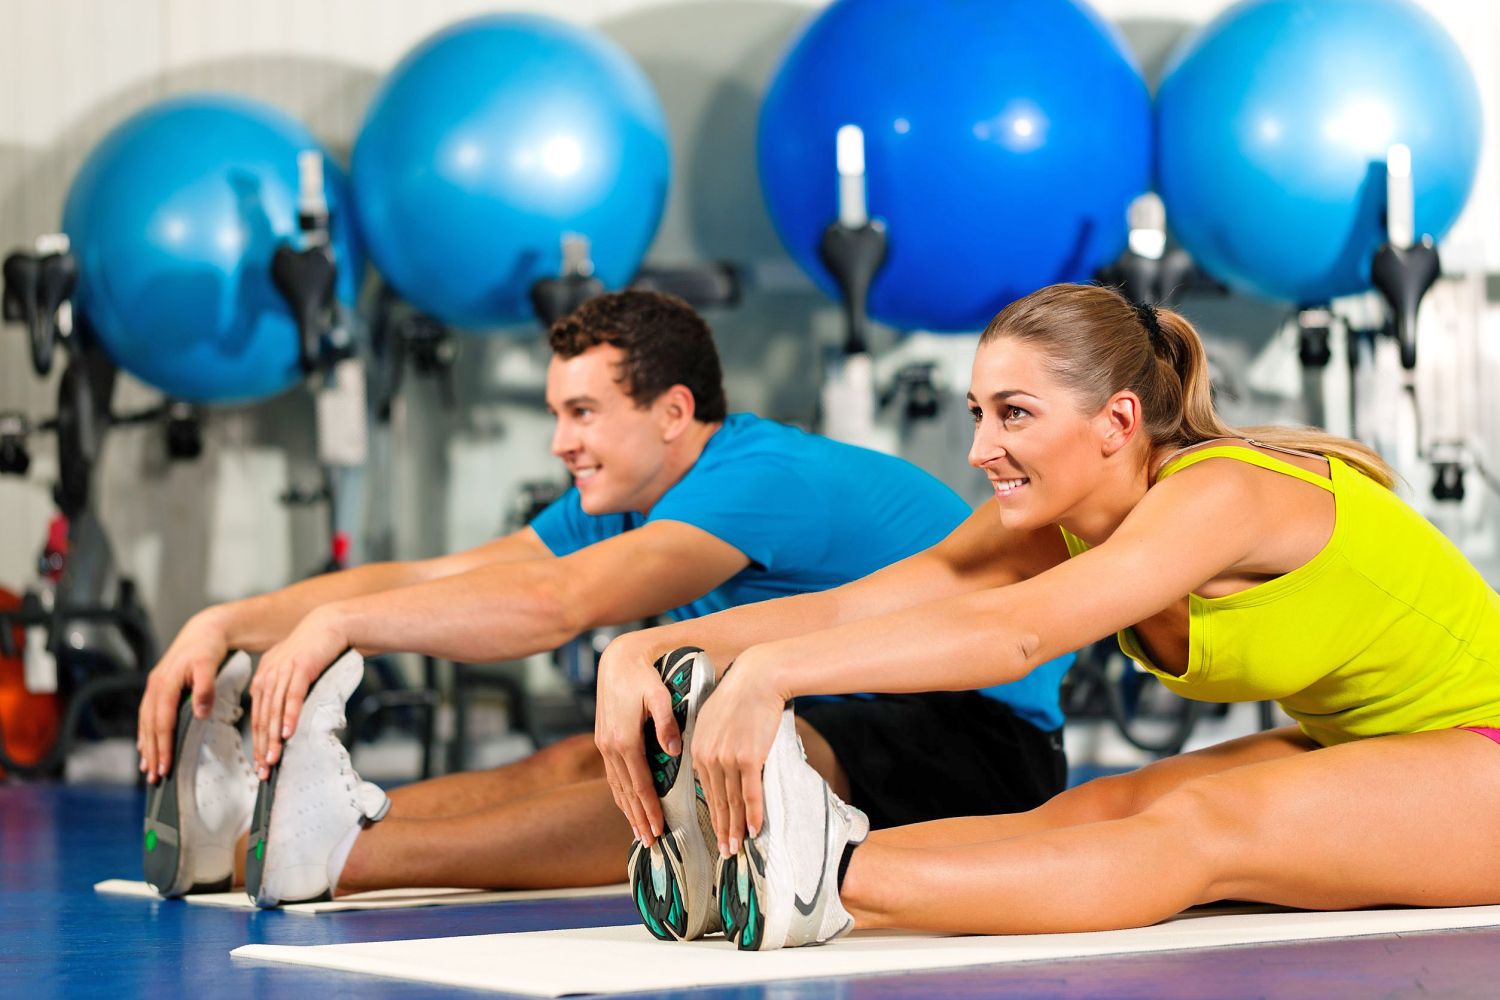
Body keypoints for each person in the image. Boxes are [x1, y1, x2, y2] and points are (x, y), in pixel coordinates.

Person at [596, 281, 1500, 951]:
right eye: (978, 413)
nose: (982, 448)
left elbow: (1017, 635)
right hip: (1384, 746)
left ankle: (820, 876)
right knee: (1098, 807)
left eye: (1015, 414)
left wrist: (774, 677)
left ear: (1116, 420)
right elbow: (853, 606)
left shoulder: (1222, 495)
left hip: (1483, 749)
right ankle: (742, 865)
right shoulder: (1059, 508)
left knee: (1206, 828)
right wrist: (657, 644)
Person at [136, 290, 1073, 926]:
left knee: (702, 772)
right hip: (835, 711)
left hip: (979, 740)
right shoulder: (631, 495)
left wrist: (338, 631)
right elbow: (437, 578)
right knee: (588, 756)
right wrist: (230, 622)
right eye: (557, 413)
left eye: (582, 414)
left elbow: (556, 605)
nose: (560, 442)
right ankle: (278, 835)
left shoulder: (757, 475)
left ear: (672, 413)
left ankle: (347, 859)